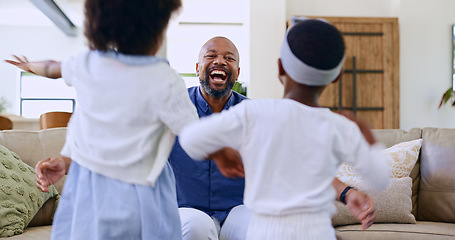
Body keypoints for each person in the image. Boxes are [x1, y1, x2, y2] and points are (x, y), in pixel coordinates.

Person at [178, 20, 390, 240]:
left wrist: (346, 192)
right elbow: (379, 177)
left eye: (229, 58)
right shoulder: (176, 108)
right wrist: (368, 137)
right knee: (196, 227)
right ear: (336, 77)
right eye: (211, 55)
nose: (220, 61)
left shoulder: (254, 112)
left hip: (241, 212)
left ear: (279, 68)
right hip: (191, 211)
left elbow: (299, 162)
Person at [5, 0, 198, 239]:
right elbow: (197, 135)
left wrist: (30, 65)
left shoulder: (87, 64)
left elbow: (52, 67)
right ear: (157, 31)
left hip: (89, 191)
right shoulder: (165, 79)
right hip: (141, 196)